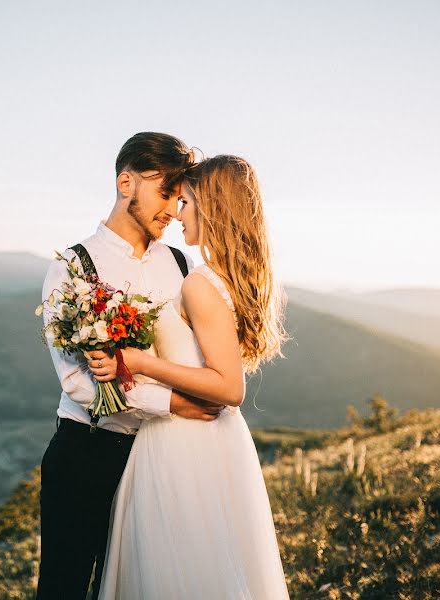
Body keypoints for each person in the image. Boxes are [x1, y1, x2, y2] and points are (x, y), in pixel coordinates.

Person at [89, 155, 291, 599]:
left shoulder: (201, 283)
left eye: (186, 203)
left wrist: (140, 362)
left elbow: (229, 388)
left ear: (211, 208)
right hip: (215, 442)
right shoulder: (223, 280)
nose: (178, 214)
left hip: (183, 442)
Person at [36, 132, 226, 600]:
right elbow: (78, 382)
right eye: (166, 192)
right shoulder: (73, 267)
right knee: (64, 585)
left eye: (179, 197)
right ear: (126, 183)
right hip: (87, 451)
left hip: (159, 456)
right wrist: (175, 403)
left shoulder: (180, 265)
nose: (172, 208)